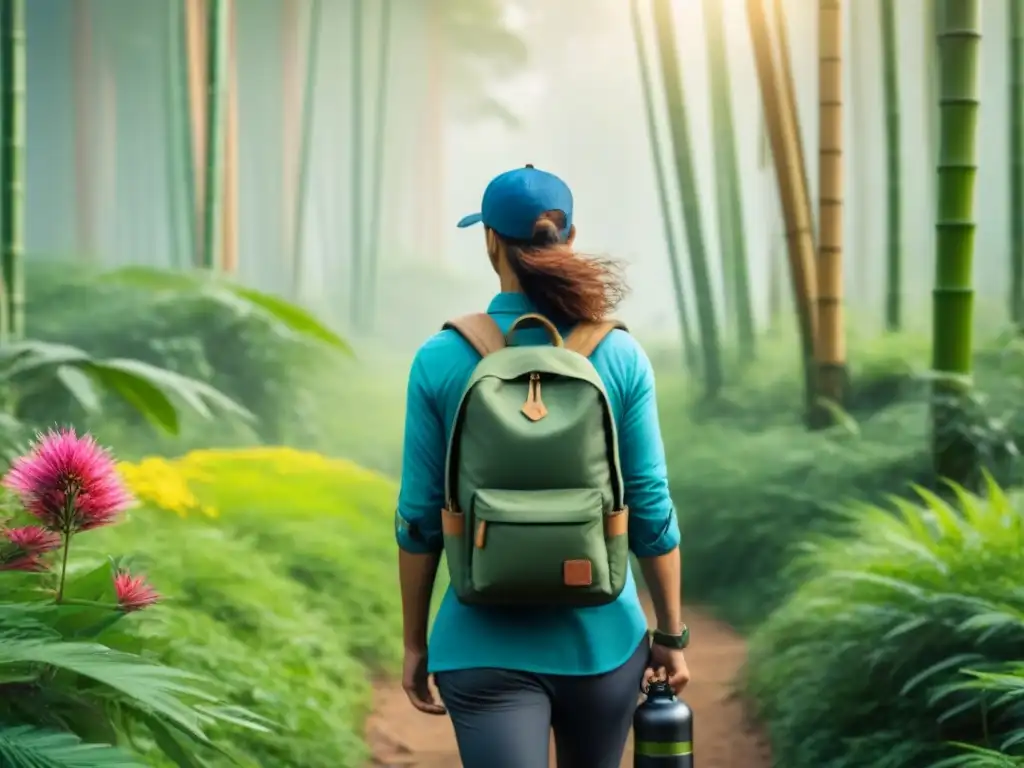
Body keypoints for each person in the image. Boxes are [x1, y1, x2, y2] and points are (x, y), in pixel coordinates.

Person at [395, 165, 688, 768]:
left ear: (490, 243)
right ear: (570, 237)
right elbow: (650, 507)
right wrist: (670, 635)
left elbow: (419, 519)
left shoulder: (442, 356)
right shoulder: (619, 353)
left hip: (478, 643)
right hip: (603, 642)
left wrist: (415, 642)